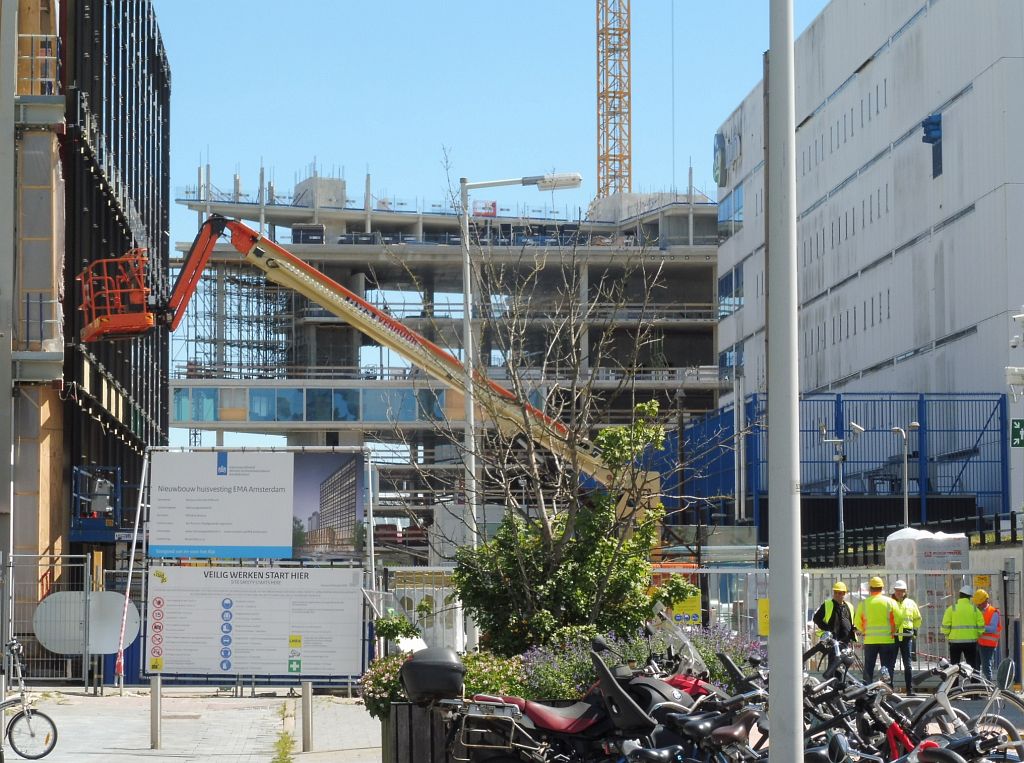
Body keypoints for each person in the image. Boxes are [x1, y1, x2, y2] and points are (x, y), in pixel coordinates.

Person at [854, 576, 897, 683]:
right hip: (887, 640)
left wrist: (864, 630)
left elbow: (857, 622)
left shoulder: (864, 603)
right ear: (882, 588)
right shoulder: (890, 602)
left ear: (870, 589)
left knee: (869, 667)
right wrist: (892, 630)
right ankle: (887, 689)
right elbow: (898, 618)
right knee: (886, 667)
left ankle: (866, 690)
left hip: (870, 640)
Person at [812, 581, 856, 672]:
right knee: (833, 667)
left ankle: (840, 685)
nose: (837, 595)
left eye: (839, 593)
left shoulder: (849, 606)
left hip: (846, 642)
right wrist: (828, 629)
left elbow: (851, 620)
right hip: (834, 642)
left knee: (843, 669)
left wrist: (853, 629)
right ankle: (832, 685)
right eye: (835, 592)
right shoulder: (828, 604)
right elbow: (816, 618)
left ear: (844, 594)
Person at [941, 584, 984, 668]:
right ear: (970, 597)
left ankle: (954, 681)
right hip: (971, 642)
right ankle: (974, 681)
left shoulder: (951, 609)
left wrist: (948, 636)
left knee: (954, 667)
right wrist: (976, 636)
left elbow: (945, 626)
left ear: (959, 596)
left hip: (954, 642)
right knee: (972, 666)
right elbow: (981, 628)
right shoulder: (975, 610)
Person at [891, 579, 922, 695]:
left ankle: (910, 689)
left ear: (905, 591)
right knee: (891, 663)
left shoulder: (910, 603)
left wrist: (914, 630)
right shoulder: (889, 602)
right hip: (893, 635)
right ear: (894, 591)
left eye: (902, 591)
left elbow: (917, 618)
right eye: (898, 591)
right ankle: (890, 689)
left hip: (907, 636)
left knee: (907, 664)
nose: (900, 593)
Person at [974, 589, 1002, 681]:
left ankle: (989, 688)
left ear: (986, 601)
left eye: (980, 603)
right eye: (977, 604)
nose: (978, 605)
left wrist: (979, 627)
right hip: (979, 643)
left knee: (986, 667)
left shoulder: (993, 612)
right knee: (975, 666)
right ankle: (977, 687)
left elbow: (993, 628)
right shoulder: (978, 611)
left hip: (988, 645)